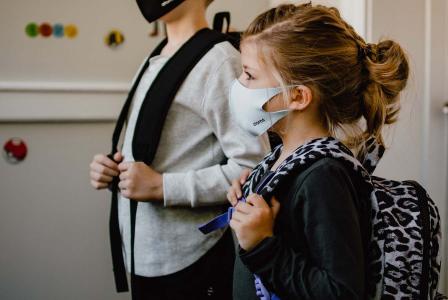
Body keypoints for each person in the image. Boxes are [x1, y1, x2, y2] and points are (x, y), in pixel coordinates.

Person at [226, 3, 409, 299]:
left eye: (249, 75)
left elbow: (341, 292)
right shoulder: (284, 158)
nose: (239, 85)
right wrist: (251, 195)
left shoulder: (323, 177)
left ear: (297, 96)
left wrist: (262, 245)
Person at [89, 0, 270, 299]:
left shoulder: (220, 61)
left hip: (192, 258)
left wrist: (163, 186)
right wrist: (113, 167)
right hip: (143, 253)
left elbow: (254, 166)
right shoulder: (156, 56)